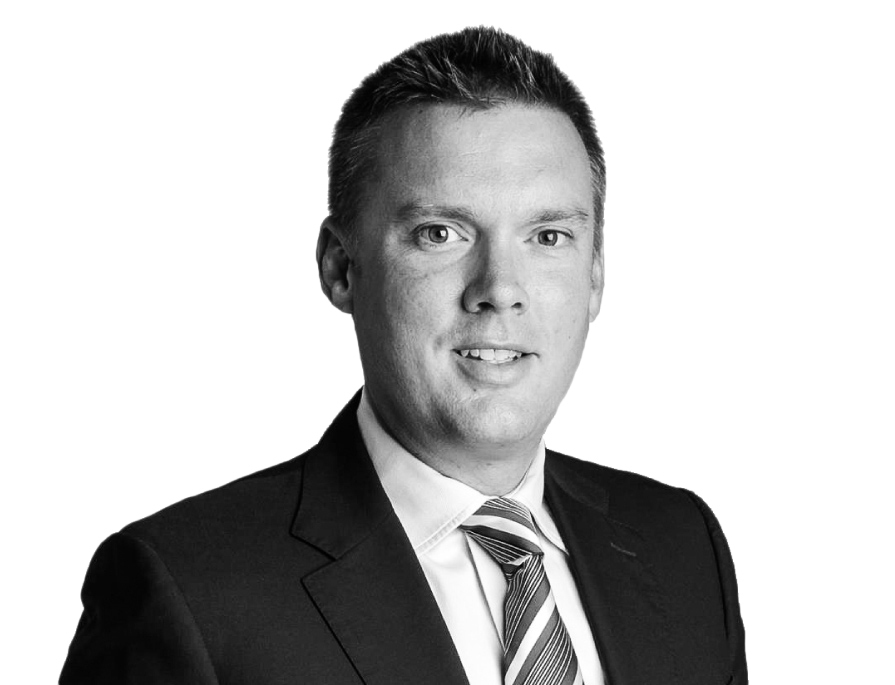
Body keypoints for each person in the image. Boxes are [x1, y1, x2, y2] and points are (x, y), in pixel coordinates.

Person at [61, 26, 747, 685]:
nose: (499, 289)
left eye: (547, 237)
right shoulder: (190, 593)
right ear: (341, 267)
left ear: (595, 274)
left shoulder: (682, 547)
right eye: (440, 232)